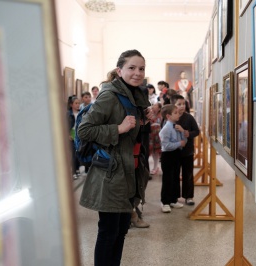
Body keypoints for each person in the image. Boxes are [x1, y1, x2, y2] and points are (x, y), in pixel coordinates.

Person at [77, 49, 153, 265]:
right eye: (131, 68)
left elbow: (131, 134)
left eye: (141, 69)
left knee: (120, 230)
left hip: (128, 171)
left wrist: (142, 120)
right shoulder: (110, 95)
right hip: (110, 174)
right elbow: (85, 131)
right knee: (109, 231)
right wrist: (117, 129)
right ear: (120, 71)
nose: (137, 73)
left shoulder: (135, 95)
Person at [171, 94, 200, 205]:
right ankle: (174, 196)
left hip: (187, 151)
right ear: (173, 105)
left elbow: (197, 131)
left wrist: (188, 133)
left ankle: (189, 197)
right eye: (179, 104)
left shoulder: (189, 117)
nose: (182, 106)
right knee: (175, 174)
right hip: (174, 151)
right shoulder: (170, 118)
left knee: (188, 174)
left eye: (183, 104)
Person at [159, 104, 186, 213]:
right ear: (168, 116)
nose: (178, 113)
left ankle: (173, 199)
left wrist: (182, 132)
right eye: (175, 112)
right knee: (168, 179)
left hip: (176, 154)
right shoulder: (166, 129)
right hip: (168, 156)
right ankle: (165, 202)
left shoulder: (176, 126)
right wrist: (179, 143)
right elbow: (166, 145)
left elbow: (183, 141)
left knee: (175, 177)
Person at [67, 95, 81, 180]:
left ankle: (77, 168)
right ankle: (73, 172)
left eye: (79, 103)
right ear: (71, 104)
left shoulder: (81, 112)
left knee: (78, 153)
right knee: (73, 154)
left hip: (78, 135)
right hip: (71, 135)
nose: (78, 105)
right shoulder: (68, 114)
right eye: (76, 103)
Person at [149, 102, 162, 175]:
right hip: (152, 135)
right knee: (153, 151)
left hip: (158, 135)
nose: (153, 106)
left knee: (158, 151)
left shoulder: (161, 116)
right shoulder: (150, 115)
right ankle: (155, 167)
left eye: (155, 105)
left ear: (159, 108)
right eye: (153, 105)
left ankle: (156, 167)